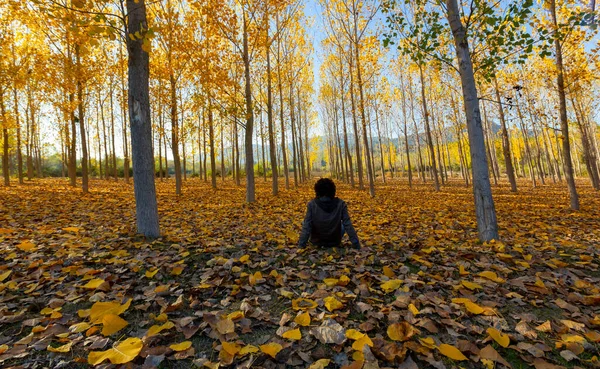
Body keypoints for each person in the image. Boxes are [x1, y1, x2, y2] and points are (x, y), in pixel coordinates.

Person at [298, 178, 360, 249]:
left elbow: (306, 227)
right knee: (343, 224)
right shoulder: (341, 204)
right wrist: (356, 245)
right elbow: (348, 225)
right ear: (333, 190)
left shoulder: (312, 204)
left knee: (306, 222)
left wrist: (301, 246)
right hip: (334, 241)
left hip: (317, 241)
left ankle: (313, 241)